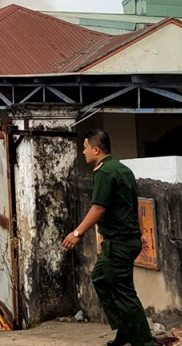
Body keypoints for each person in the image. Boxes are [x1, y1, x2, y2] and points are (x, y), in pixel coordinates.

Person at [63, 129, 152, 346]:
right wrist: (139, 233)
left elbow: (98, 209)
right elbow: (133, 203)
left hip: (119, 242)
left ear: (96, 149)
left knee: (125, 295)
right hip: (124, 240)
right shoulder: (123, 169)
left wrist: (77, 233)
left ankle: (144, 342)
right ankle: (125, 331)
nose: (83, 152)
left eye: (85, 147)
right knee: (100, 278)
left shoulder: (103, 172)